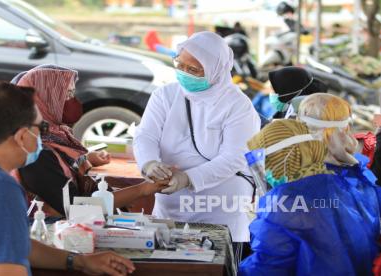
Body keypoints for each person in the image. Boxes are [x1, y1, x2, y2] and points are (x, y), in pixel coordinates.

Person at [0, 82, 135, 276]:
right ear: (22, 136)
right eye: (41, 128)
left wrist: (78, 261)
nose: (42, 137)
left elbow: (15, 245)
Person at [133, 31, 261, 246]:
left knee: (216, 260)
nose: (184, 73)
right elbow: (145, 135)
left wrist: (188, 178)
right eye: (180, 65)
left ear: (214, 71)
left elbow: (235, 157)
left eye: (193, 69)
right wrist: (150, 163)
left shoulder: (238, 105)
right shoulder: (165, 95)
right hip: (170, 201)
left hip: (219, 206)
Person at [14, 66, 168, 216]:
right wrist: (141, 190)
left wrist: (88, 160)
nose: (73, 101)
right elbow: (75, 208)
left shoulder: (60, 136)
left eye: (73, 93)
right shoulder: (36, 152)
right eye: (67, 95)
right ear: (44, 99)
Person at [239, 119, 381, 275]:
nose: (268, 171)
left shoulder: (289, 201)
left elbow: (264, 267)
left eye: (271, 161)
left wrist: (263, 224)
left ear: (290, 156)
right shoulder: (356, 186)